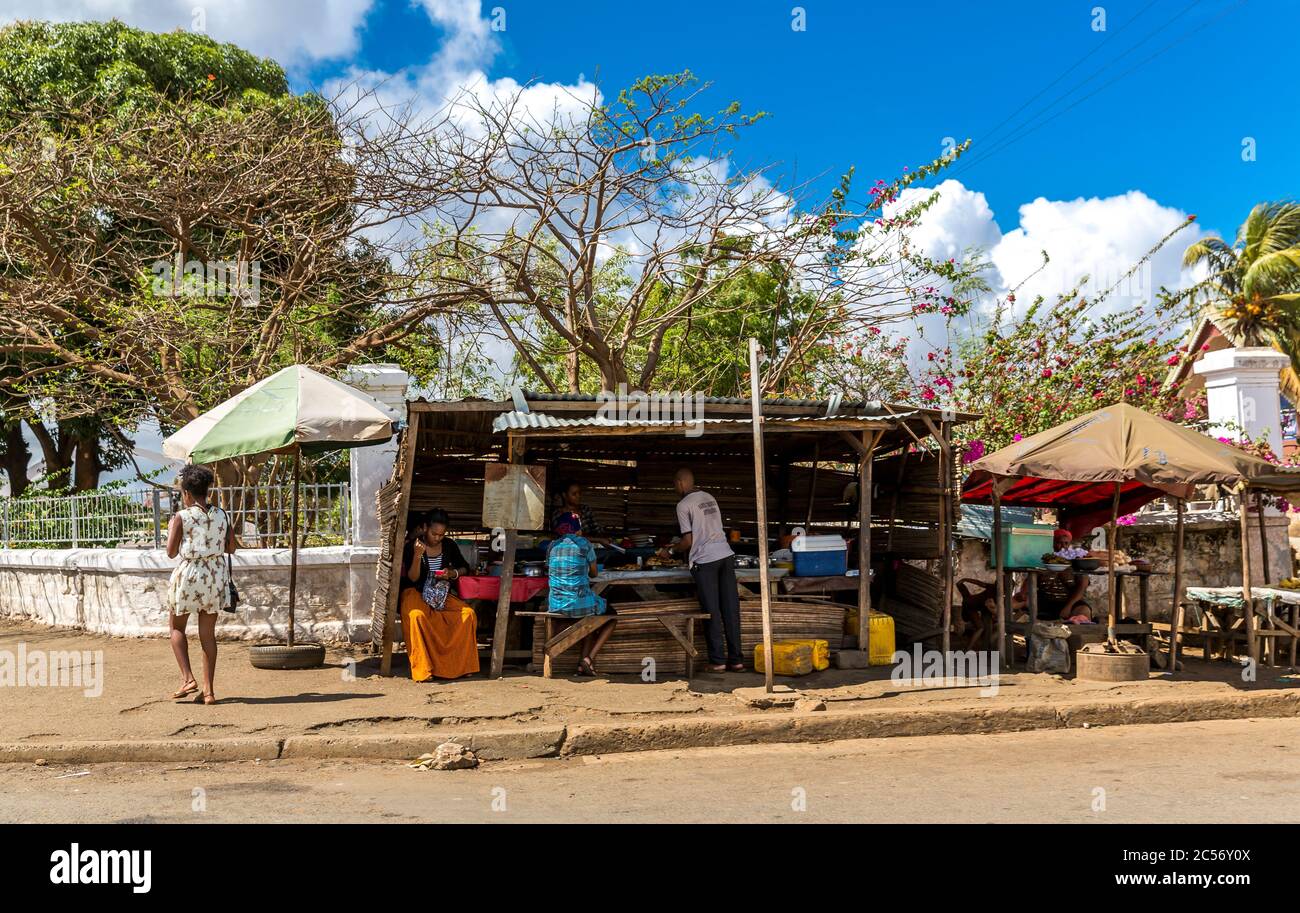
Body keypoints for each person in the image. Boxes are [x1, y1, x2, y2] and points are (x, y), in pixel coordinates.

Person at [659, 467, 743, 672]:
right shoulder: (709, 497)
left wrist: (669, 552)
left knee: (711, 611)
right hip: (725, 555)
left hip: (706, 561)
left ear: (680, 483)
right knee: (730, 609)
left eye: (674, 485)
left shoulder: (683, 505)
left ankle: (717, 661)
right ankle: (737, 660)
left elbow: (688, 540)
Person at [166, 464, 235, 705]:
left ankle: (187, 678)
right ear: (207, 490)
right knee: (208, 636)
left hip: (189, 576)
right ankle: (209, 692)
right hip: (215, 576)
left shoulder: (181, 517)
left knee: (176, 627)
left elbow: (171, 553)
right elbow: (231, 548)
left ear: (186, 492)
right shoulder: (222, 515)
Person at [399, 509, 480, 682]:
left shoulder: (449, 545)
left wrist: (451, 574)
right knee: (417, 617)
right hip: (414, 592)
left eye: (441, 535)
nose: (437, 538)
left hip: (440, 593)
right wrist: (417, 556)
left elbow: (464, 567)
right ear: (425, 528)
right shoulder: (412, 546)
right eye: (434, 533)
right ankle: (424, 668)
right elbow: (413, 578)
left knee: (468, 615)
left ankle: (460, 666)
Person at [548, 512, 617, 676]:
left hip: (556, 605)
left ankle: (582, 664)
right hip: (579, 604)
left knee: (591, 619)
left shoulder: (552, 546)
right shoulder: (584, 544)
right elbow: (593, 574)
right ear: (577, 528)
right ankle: (589, 659)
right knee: (611, 617)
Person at [1010, 529, 1092, 622]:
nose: (1063, 546)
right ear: (1052, 543)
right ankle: (999, 611)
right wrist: (1023, 593)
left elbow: (1082, 586)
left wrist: (1068, 607)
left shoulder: (1076, 562)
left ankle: (1077, 624)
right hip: (1044, 601)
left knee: (1083, 611)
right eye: (1059, 543)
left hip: (1069, 601)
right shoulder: (1043, 562)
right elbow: (1030, 579)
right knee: (1018, 600)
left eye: (1066, 543)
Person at [551, 479, 608, 544]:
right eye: (574, 494)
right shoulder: (558, 514)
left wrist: (602, 538)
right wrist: (598, 540)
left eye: (579, 493)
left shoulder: (585, 509)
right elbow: (569, 537)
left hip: (591, 546)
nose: (578, 496)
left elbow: (597, 529)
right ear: (564, 495)